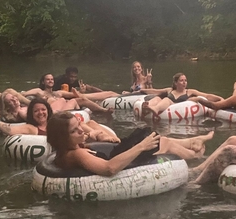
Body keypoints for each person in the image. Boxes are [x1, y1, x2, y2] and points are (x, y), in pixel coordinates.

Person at [47, 112, 215, 175]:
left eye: (79, 127)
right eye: (74, 131)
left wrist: (99, 138)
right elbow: (109, 169)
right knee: (159, 142)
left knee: (154, 137)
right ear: (62, 138)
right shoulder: (76, 154)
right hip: (120, 163)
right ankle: (196, 157)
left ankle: (194, 145)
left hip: (115, 154)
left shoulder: (75, 149)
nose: (81, 131)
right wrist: (141, 147)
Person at [0, 98, 118, 143]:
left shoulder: (55, 122)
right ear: (31, 114)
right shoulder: (31, 128)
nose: (40, 113)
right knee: (85, 126)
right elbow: (10, 130)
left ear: (48, 110)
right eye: (36, 111)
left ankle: (112, 140)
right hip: (76, 143)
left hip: (82, 137)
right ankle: (102, 137)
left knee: (90, 123)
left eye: (43, 109)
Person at [23, 73, 117, 114]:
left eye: (52, 79)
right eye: (48, 79)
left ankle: (103, 110)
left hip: (65, 107)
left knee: (81, 99)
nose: (50, 81)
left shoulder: (58, 93)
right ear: (43, 82)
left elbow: (75, 95)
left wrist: (81, 91)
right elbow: (23, 94)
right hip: (53, 110)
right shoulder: (38, 91)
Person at [140, 73, 223, 116]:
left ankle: (155, 109)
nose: (184, 83)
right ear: (176, 83)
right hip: (168, 107)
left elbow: (206, 96)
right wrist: (141, 90)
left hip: (181, 108)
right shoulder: (170, 90)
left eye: (185, 80)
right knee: (159, 98)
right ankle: (148, 107)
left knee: (167, 99)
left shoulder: (190, 92)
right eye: (181, 80)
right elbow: (155, 91)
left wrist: (219, 99)